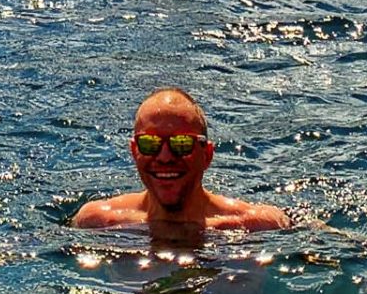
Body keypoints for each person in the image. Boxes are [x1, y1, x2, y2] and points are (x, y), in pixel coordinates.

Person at [72, 87, 290, 233]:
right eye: (150, 144)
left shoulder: (256, 225)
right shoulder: (98, 223)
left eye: (182, 144)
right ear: (134, 151)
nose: (165, 157)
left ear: (207, 155)